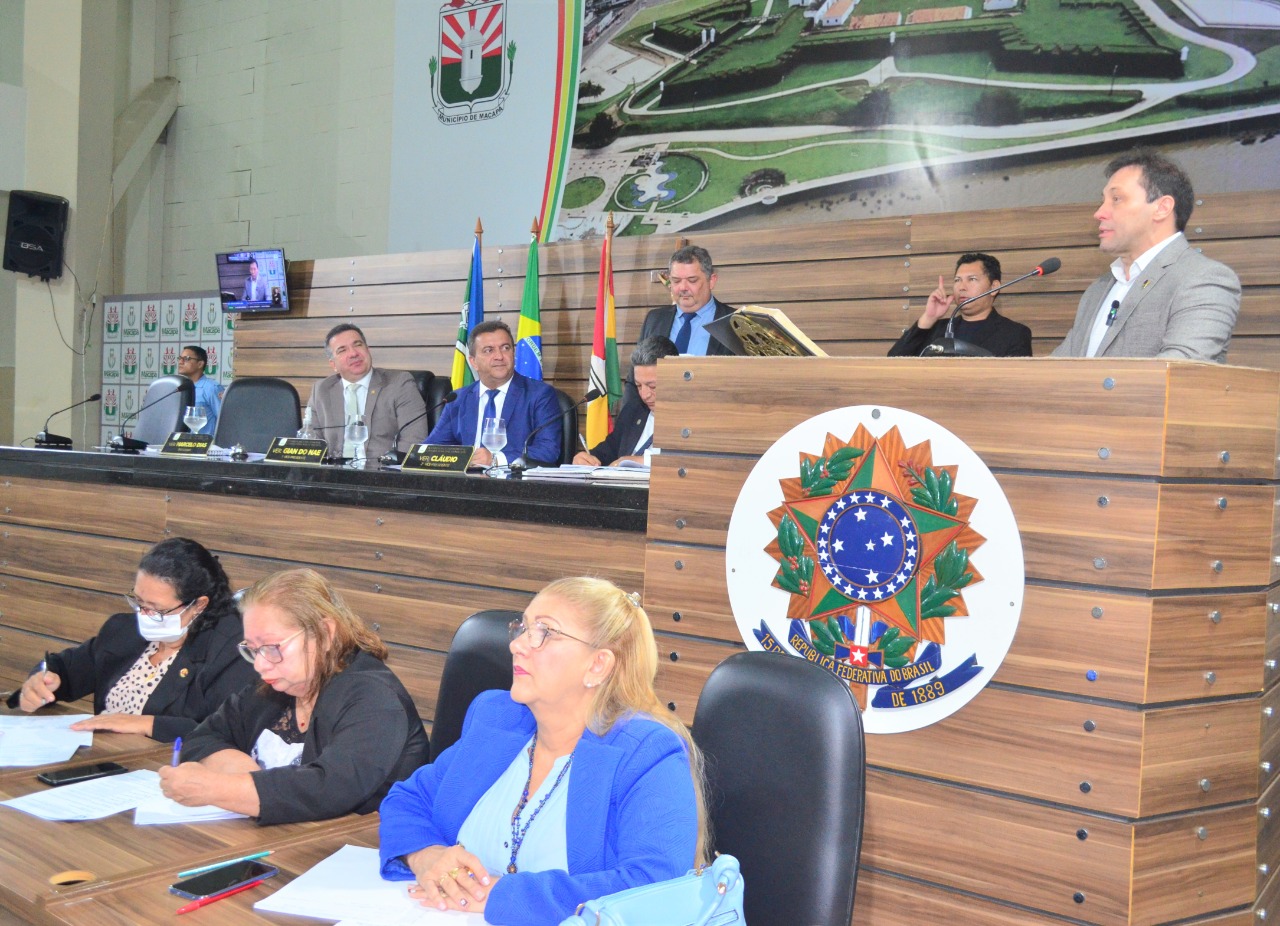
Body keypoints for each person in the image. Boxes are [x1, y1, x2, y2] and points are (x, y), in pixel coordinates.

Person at [379, 577, 707, 926]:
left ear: (598, 665)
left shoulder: (644, 752)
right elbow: (408, 800)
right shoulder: (497, 718)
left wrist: (504, 897)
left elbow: (654, 889)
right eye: (522, 628)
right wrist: (426, 855)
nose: (517, 645)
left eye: (545, 632)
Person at [159, 568, 429, 825]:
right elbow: (203, 737)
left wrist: (219, 788)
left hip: (354, 849)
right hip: (279, 840)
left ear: (324, 634)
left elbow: (329, 789)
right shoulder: (278, 684)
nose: (260, 665)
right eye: (252, 649)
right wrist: (243, 772)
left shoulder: (375, 699)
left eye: (272, 647)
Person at [13, 538, 256, 742]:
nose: (144, 615)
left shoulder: (230, 646)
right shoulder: (124, 630)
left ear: (198, 605)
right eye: (139, 602)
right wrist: (43, 680)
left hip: (168, 770)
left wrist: (147, 724)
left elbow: (227, 729)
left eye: (156, 608)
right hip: (103, 758)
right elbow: (63, 669)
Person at [1052, 148, 1240, 362]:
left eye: (1116, 199)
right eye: (1102, 200)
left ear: (1162, 208)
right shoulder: (1098, 289)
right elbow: (1061, 366)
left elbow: (1180, 369)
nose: (1099, 213)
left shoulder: (1203, 279)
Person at [426, 320, 562, 467]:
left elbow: (548, 450)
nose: (499, 356)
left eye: (505, 348)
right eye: (489, 350)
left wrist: (495, 460)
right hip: (465, 485)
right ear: (473, 362)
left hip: (513, 485)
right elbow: (430, 450)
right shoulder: (457, 399)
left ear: (513, 353)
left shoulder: (539, 395)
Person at [309, 323, 430, 464]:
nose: (353, 353)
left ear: (368, 350)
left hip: (382, 477)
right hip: (332, 478)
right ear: (333, 365)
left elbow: (413, 441)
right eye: (342, 350)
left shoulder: (399, 384)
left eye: (358, 345)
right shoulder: (321, 390)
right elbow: (311, 443)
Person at [888, 253, 1032, 357]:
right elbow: (894, 361)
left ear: (994, 287)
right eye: (957, 280)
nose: (962, 287)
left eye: (972, 279)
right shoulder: (937, 329)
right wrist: (929, 318)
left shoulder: (1015, 333)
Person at [573, 336, 678, 466]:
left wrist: (640, 461)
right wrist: (586, 459)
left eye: (653, 386)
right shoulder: (634, 410)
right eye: (638, 385)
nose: (644, 395)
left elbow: (688, 461)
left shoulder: (693, 417)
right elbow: (607, 451)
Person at [639, 245, 735, 356]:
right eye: (676, 281)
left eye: (692, 280)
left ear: (712, 281)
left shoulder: (734, 322)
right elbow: (638, 370)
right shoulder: (654, 319)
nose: (683, 287)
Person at [177, 345, 223, 435]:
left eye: (186, 358)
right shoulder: (181, 388)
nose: (180, 362)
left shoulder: (211, 388)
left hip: (206, 446)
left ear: (200, 364)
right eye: (180, 358)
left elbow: (225, 420)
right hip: (182, 444)